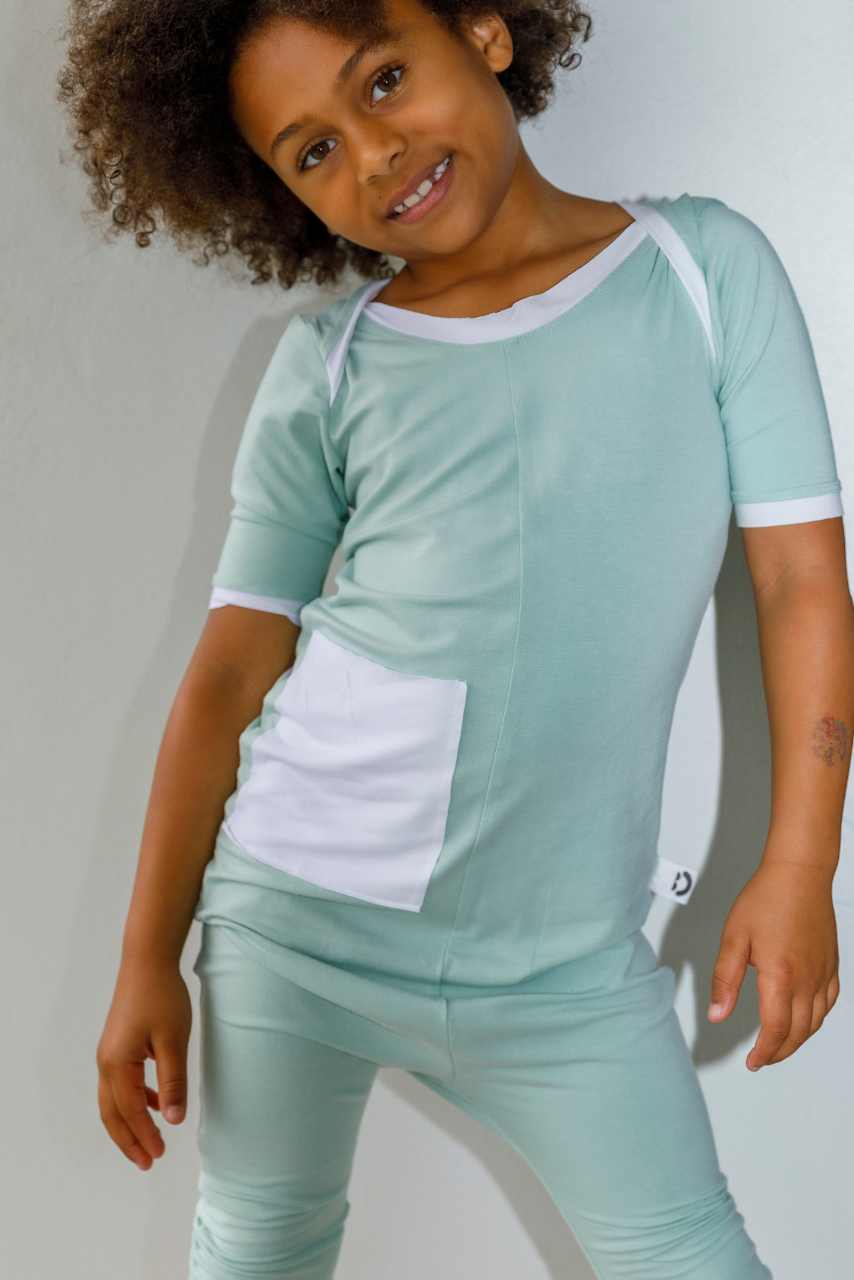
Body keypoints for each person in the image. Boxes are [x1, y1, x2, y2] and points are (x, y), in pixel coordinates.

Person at [57, 1, 851, 1276]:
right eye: (313, 151)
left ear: (483, 32)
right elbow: (229, 673)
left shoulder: (702, 272)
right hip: (293, 933)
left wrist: (799, 860)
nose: (373, 154)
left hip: (565, 977)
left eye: (381, 81)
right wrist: (147, 955)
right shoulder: (328, 367)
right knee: (258, 1250)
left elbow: (801, 582)